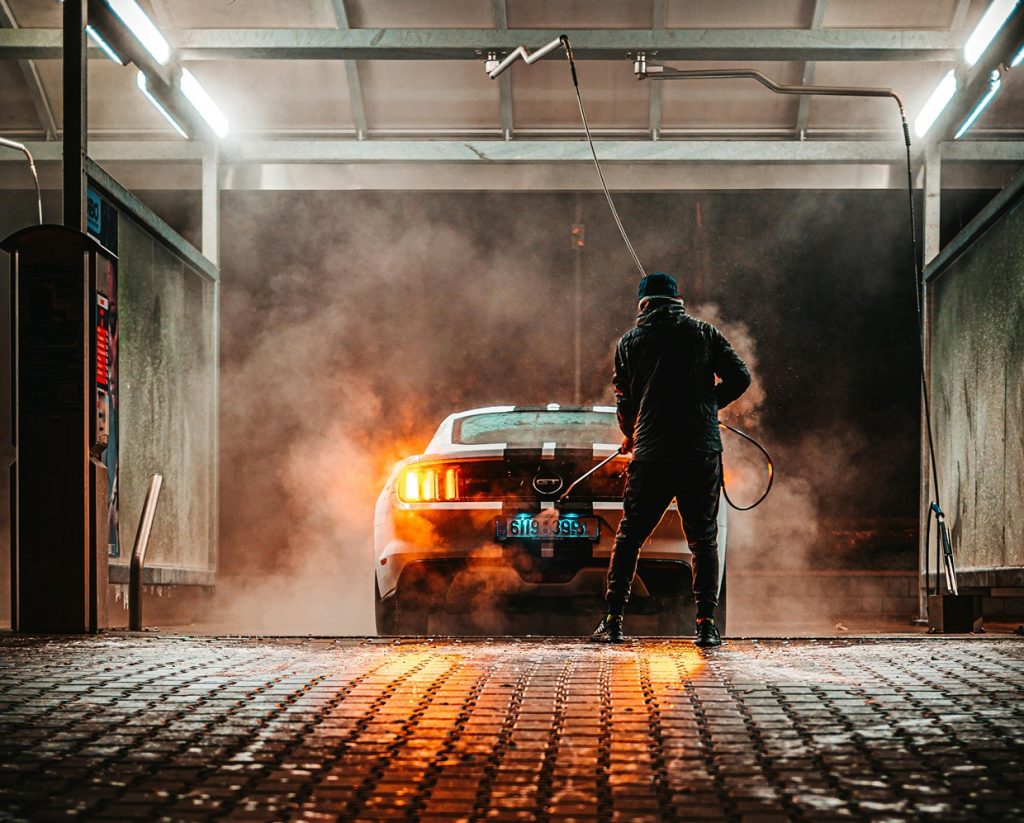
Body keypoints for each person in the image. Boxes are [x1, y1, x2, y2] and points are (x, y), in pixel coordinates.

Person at [591, 272, 751, 647]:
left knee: (630, 536)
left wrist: (631, 433)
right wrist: (710, 402)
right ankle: (706, 625)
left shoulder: (629, 342)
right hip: (700, 452)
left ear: (643, 304)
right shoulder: (704, 333)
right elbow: (740, 377)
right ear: (678, 300)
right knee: (703, 540)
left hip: (652, 454)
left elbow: (625, 400)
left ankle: (613, 622)